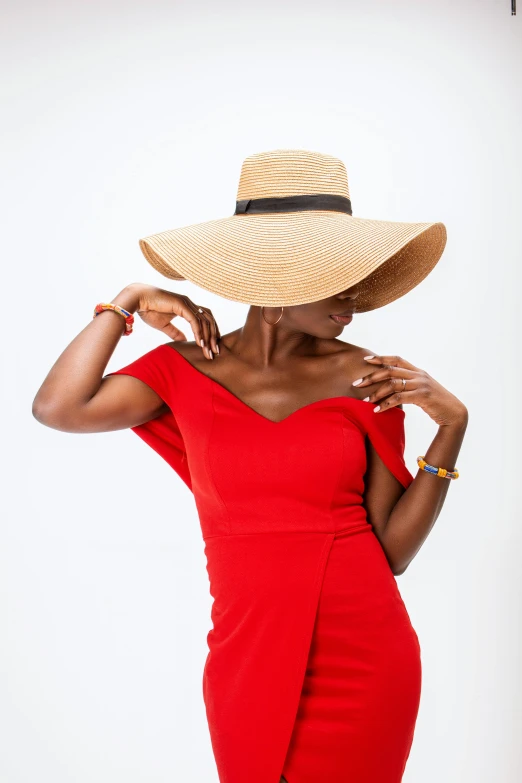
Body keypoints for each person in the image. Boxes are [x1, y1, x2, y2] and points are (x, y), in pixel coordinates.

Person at [32, 149, 468, 783]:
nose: (355, 300)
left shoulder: (363, 376)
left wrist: (451, 430)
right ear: (276, 290)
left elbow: (393, 554)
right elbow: (58, 407)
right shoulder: (182, 369)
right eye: (335, 280)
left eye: (357, 280)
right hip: (247, 649)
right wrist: (125, 302)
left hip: (363, 653)